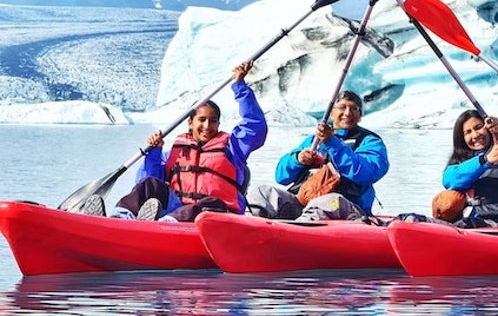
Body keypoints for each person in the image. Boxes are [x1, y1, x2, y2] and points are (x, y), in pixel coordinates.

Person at [80, 61, 267, 222]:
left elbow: (255, 125)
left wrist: (240, 86)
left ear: (219, 123)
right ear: (190, 122)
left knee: (211, 203)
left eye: (213, 121)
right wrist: (153, 154)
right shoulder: (174, 153)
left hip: (216, 216)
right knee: (150, 184)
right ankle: (121, 217)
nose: (207, 126)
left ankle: (168, 223)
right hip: (177, 208)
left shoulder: (233, 148)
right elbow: (145, 179)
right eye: (201, 120)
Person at [248, 90, 389, 221]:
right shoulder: (313, 141)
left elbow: (366, 172)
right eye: (342, 107)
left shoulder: (370, 141)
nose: (347, 113)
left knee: (330, 201)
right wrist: (298, 160)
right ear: (332, 113)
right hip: (303, 202)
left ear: (360, 116)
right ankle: (247, 227)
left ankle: (296, 234)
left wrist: (332, 143)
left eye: (354, 108)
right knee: (264, 193)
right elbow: (281, 176)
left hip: (345, 207)